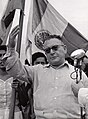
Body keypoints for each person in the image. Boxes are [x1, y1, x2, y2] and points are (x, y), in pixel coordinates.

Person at [3, 25, 88, 119]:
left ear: (64, 49)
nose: (51, 52)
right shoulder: (36, 71)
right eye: (47, 50)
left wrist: (81, 92)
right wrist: (11, 48)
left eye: (55, 48)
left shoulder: (78, 74)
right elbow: (14, 70)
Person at [0, 45, 23, 119]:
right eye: (0, 55)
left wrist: (19, 89)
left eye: (5, 56)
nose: (2, 58)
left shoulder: (17, 76)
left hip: (15, 114)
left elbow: (24, 102)